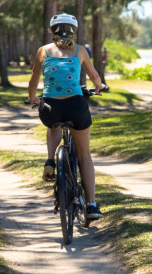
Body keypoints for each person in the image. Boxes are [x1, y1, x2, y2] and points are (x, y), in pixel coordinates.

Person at [28, 13, 105, 220]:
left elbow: (33, 81)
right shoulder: (80, 50)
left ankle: (51, 161)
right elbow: (95, 76)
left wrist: (33, 98)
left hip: (50, 107)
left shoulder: (42, 51)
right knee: (84, 156)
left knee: (53, 125)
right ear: (73, 31)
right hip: (76, 106)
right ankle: (91, 205)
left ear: (52, 32)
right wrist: (99, 87)